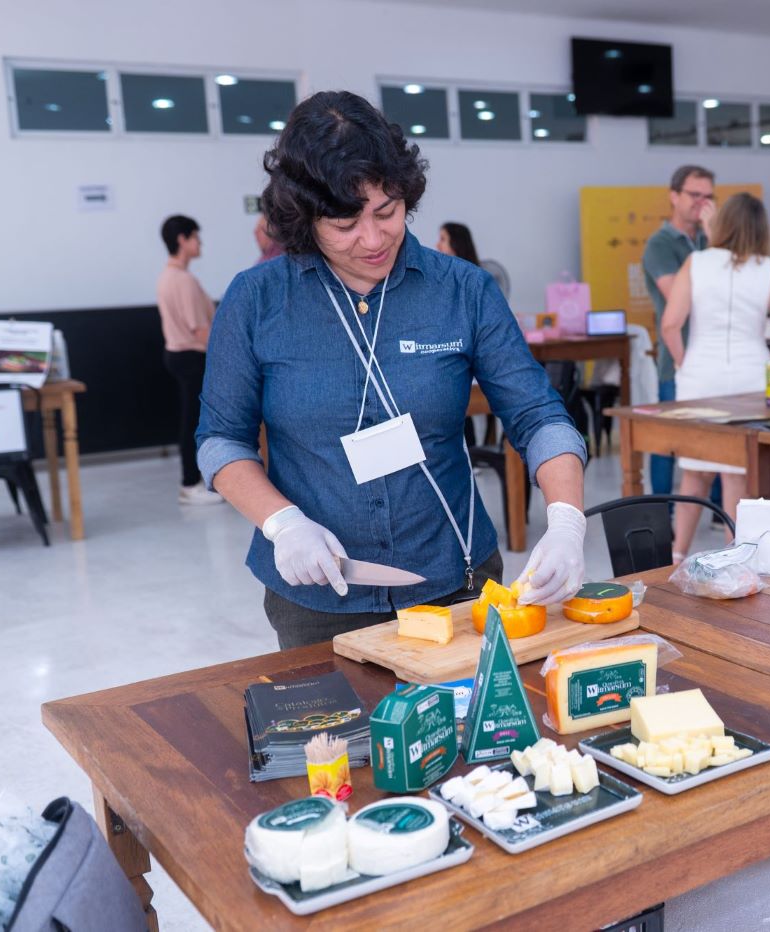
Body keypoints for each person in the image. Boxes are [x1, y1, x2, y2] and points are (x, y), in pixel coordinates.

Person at [196, 90, 589, 648]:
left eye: (387, 211)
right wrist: (283, 524)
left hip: (459, 582)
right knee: (338, 737)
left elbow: (537, 415)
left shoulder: (462, 290)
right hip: (318, 595)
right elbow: (220, 441)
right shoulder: (257, 300)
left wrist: (568, 521)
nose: (374, 238)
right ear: (302, 217)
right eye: (344, 223)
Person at [660, 193, 770, 558]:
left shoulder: (697, 262)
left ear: (721, 224)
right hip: (750, 377)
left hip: (698, 377)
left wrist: (682, 363)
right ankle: (735, 562)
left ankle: (676, 556)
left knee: (694, 474)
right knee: (738, 477)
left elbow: (671, 324)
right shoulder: (768, 268)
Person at [643, 165, 716, 495]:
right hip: (678, 357)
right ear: (674, 196)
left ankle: (718, 511)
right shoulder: (660, 244)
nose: (702, 202)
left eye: (709, 196)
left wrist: (715, 237)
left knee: (720, 438)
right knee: (670, 440)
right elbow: (681, 301)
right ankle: (661, 509)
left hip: (714, 357)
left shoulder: (711, 239)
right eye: (694, 194)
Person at [156, 215, 222, 506]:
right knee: (193, 422)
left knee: (190, 419)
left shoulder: (169, 276)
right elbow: (200, 330)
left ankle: (192, 481)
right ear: (182, 239)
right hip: (190, 356)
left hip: (178, 354)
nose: (200, 243)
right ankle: (190, 483)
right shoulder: (182, 280)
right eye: (196, 236)